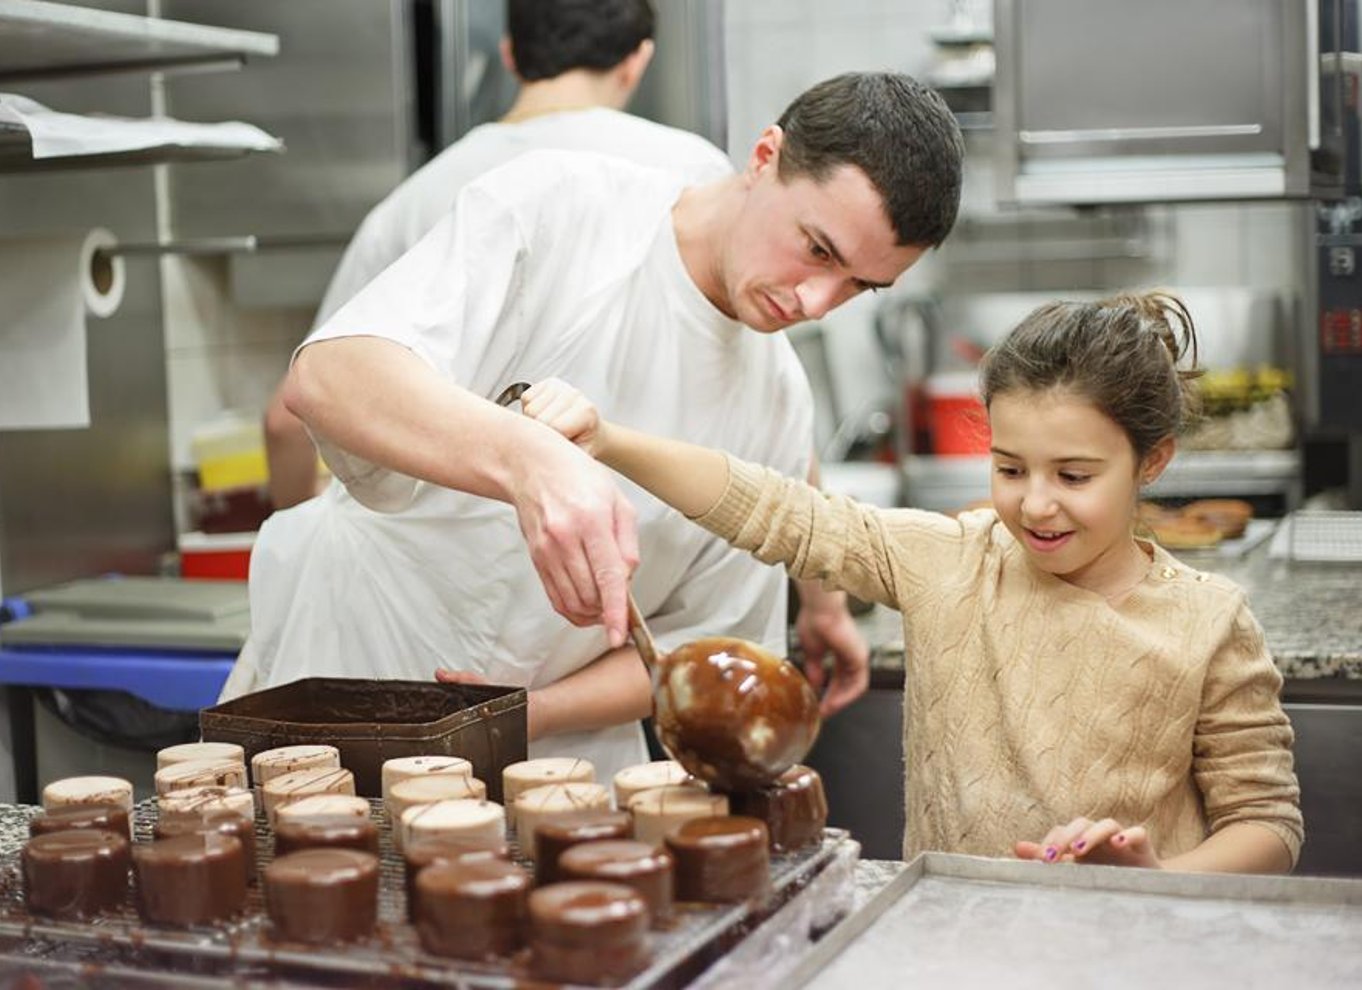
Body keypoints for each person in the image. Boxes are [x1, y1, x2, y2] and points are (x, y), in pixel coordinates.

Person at [221, 71, 966, 786]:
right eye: (817, 250)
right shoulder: (566, 209)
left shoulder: (777, 400)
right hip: (349, 675)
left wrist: (524, 715)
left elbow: (698, 642)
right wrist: (528, 462)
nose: (814, 301)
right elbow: (327, 379)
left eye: (857, 287)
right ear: (765, 157)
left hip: (547, 745)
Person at [523, 291, 1304, 872]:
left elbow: (1267, 823)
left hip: (1132, 959)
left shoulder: (1209, 621)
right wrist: (608, 438)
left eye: (1074, 474)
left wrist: (1157, 881)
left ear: (1153, 461)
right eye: (1008, 468)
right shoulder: (949, 561)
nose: (1034, 502)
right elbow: (780, 511)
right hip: (948, 948)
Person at [265, 0, 734, 511]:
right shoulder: (697, 175)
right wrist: (818, 591)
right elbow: (767, 397)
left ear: (510, 56)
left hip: (451, 577)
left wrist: (297, 519)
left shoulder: (417, 200)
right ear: (638, 59)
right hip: (650, 545)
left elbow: (289, 420)